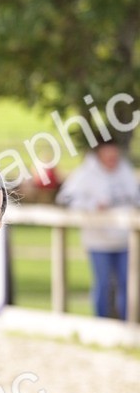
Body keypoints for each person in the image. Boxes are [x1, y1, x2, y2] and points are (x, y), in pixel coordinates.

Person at [56, 137, 140, 319]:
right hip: (98, 240)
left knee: (128, 283)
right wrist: (92, 205)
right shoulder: (85, 174)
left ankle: (128, 323)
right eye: (108, 154)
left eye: (114, 154)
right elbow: (65, 199)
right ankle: (102, 322)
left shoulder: (124, 171)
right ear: (99, 153)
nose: (112, 158)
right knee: (103, 284)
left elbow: (135, 196)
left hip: (125, 239)